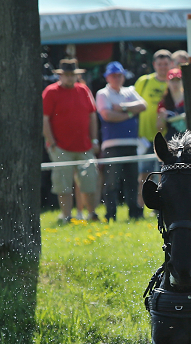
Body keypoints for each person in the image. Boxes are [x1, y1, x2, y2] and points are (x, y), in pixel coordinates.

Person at [42, 58, 100, 222]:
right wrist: (52, 143)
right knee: (63, 184)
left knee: (89, 179)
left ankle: (92, 213)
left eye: (72, 75)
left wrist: (94, 140)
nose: (69, 78)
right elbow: (45, 119)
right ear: (60, 76)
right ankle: (67, 215)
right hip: (60, 147)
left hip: (84, 146)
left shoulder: (83, 90)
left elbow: (92, 116)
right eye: (66, 75)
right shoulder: (50, 92)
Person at [96, 61, 147, 222]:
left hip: (131, 143)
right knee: (112, 182)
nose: (117, 78)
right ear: (107, 77)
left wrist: (122, 107)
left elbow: (143, 105)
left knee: (132, 180)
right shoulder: (103, 94)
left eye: (119, 75)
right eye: (113, 76)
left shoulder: (130, 91)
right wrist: (130, 113)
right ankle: (110, 215)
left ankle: (134, 213)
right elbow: (107, 115)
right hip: (112, 144)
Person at [135, 49, 174, 205]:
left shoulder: (175, 82)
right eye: (160, 64)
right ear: (154, 65)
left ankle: (162, 206)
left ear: (171, 64)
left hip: (167, 138)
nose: (163, 67)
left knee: (164, 175)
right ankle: (139, 207)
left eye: (166, 64)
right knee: (143, 175)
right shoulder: (144, 82)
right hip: (145, 136)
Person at [156, 68, 185, 140]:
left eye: (178, 81)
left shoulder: (189, 100)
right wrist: (162, 118)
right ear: (167, 82)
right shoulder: (163, 103)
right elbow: (160, 129)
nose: (175, 84)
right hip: (171, 140)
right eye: (172, 81)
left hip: (188, 139)